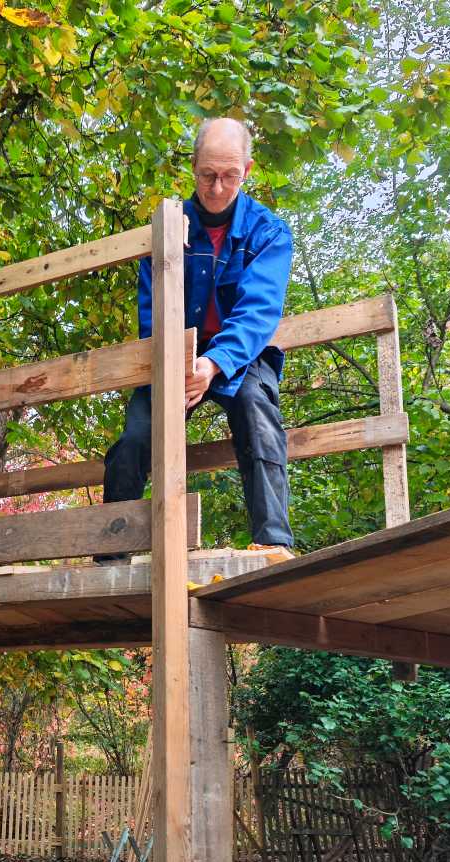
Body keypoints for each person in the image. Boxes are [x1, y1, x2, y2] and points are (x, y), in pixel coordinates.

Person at [101, 117, 295, 558]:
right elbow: (150, 315)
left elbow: (257, 313)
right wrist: (177, 364)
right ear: (193, 168)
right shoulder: (168, 226)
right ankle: (111, 550)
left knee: (256, 412)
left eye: (229, 176)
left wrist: (213, 363)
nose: (217, 187)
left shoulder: (269, 233)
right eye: (208, 175)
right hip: (173, 355)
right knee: (135, 439)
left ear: (247, 170)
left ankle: (271, 542)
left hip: (239, 356)